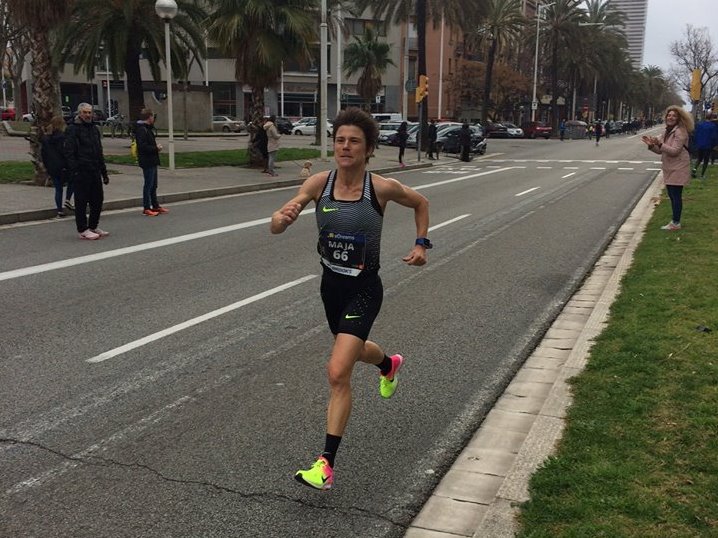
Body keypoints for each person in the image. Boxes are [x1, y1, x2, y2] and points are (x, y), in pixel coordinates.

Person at [270, 107, 430, 491]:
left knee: (337, 371)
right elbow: (276, 224)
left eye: (353, 141)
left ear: (368, 148)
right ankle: (388, 364)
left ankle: (325, 464)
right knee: (354, 351)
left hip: (364, 288)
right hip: (331, 287)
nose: (345, 146)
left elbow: (421, 203)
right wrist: (283, 217)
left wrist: (421, 243)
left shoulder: (382, 188)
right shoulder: (319, 184)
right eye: (340, 140)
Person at [642, 105, 694, 231]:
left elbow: (675, 151)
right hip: (670, 167)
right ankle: (674, 221)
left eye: (674, 116)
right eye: (669, 115)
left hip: (679, 167)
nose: (670, 117)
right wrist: (651, 145)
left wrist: (659, 143)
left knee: (676, 195)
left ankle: (676, 223)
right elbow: (661, 151)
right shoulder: (667, 131)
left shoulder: (680, 131)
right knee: (671, 194)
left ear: (679, 118)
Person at [64, 102, 110, 240]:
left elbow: (99, 151)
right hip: (81, 170)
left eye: (90, 112)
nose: (88, 115)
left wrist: (104, 172)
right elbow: (69, 152)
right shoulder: (73, 129)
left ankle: (93, 226)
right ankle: (82, 229)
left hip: (94, 169)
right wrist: (75, 171)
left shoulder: (94, 129)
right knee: (81, 202)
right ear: (79, 113)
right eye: (85, 112)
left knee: (98, 200)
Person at [135, 108, 168, 216]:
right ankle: (146, 207)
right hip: (147, 160)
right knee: (148, 184)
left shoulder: (147, 129)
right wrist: (156, 148)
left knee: (154, 185)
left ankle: (155, 205)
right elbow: (142, 146)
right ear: (149, 117)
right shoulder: (142, 130)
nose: (154, 119)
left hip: (152, 160)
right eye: (153, 116)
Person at [41, 115, 73, 218]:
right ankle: (68, 199)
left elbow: (44, 154)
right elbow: (65, 152)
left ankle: (59, 210)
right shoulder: (63, 138)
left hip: (52, 167)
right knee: (73, 182)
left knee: (58, 189)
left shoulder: (46, 139)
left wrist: (47, 167)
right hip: (63, 166)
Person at [691, 112, 718, 180]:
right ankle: (702, 175)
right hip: (708, 145)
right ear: (711, 118)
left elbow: (695, 134)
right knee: (706, 160)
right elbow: (714, 137)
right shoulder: (713, 126)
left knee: (699, 158)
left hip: (700, 144)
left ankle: (694, 169)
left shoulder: (699, 124)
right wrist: (715, 145)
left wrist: (696, 142)